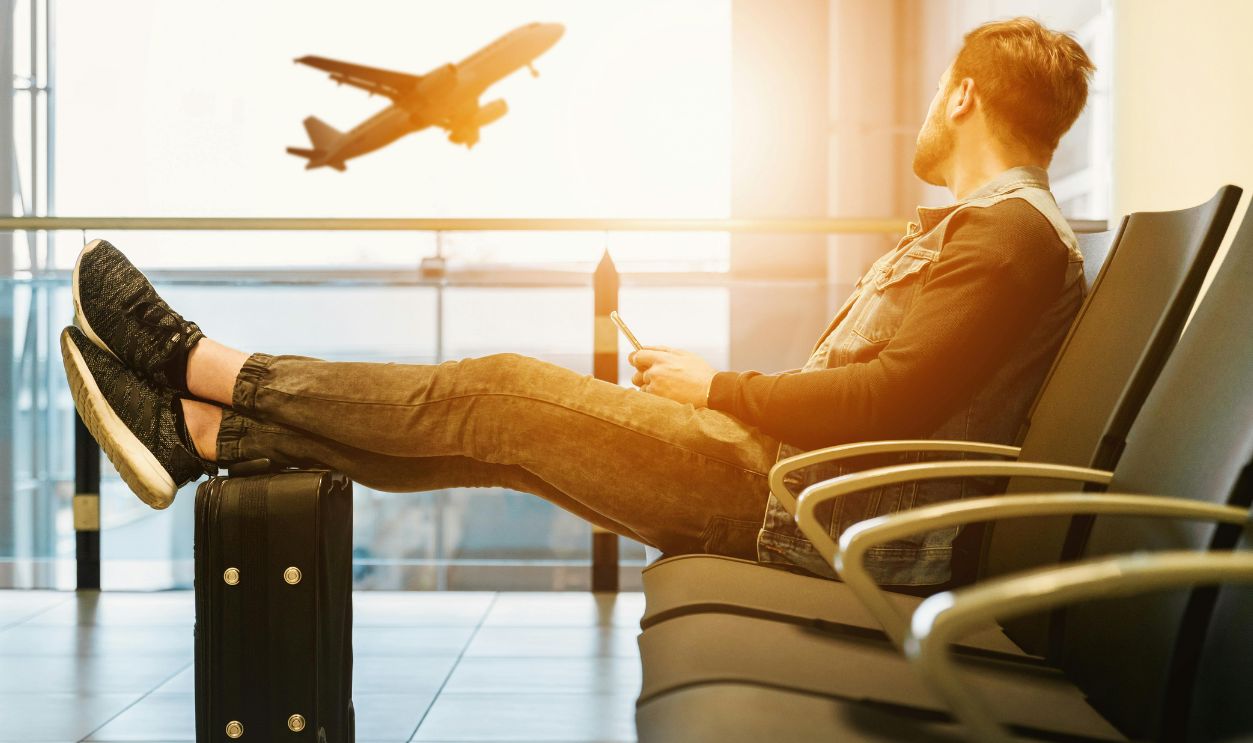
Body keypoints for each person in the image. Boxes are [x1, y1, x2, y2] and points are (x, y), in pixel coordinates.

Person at [61, 17, 1094, 588]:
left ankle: (198, 365)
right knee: (498, 438)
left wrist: (719, 385)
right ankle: (204, 432)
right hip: (795, 491)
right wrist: (720, 392)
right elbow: (889, 396)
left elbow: (887, 402)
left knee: (500, 392)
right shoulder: (998, 234)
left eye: (933, 94)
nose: (923, 112)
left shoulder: (1004, 237)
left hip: (800, 511)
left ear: (960, 95)